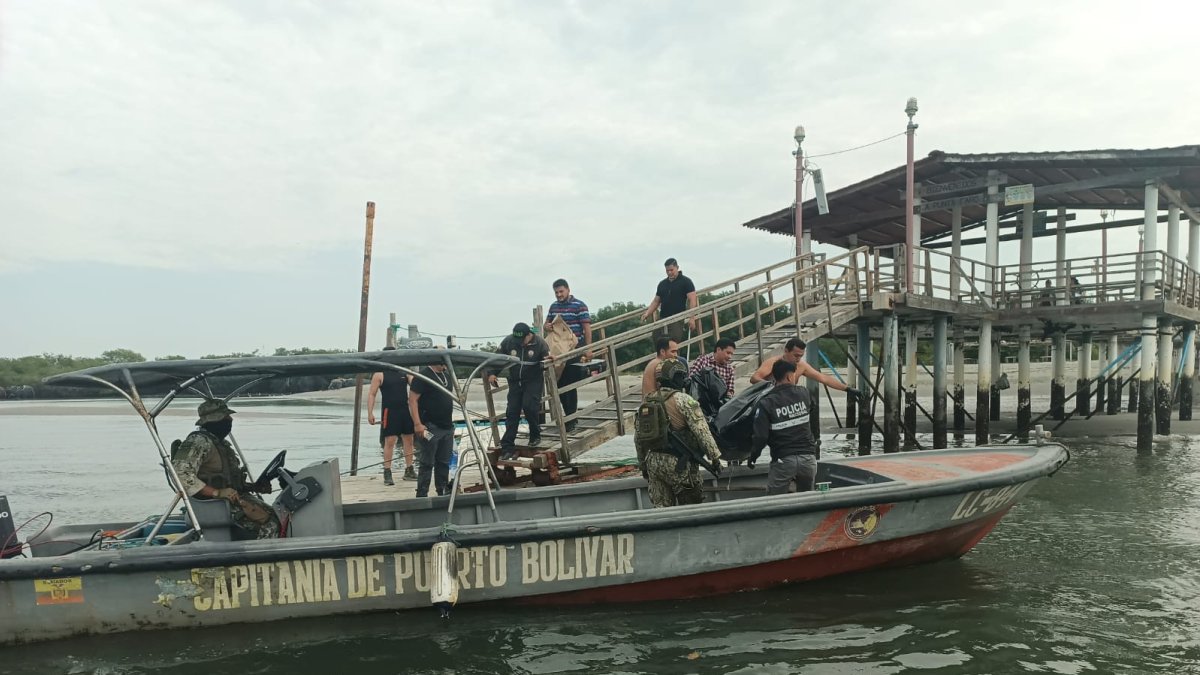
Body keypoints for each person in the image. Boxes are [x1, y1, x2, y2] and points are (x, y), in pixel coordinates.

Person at [171, 399, 280, 539]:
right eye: (225, 417)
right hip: (215, 504)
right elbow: (180, 474)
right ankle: (265, 557)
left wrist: (253, 487)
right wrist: (216, 492)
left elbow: (228, 481)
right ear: (214, 420)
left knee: (278, 515)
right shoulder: (198, 442)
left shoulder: (219, 443)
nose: (230, 419)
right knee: (270, 523)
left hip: (229, 500)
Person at [635, 359, 723, 508]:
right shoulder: (684, 400)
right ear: (677, 377)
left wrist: (643, 466)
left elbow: (638, 439)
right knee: (692, 509)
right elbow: (702, 432)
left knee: (661, 512)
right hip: (679, 465)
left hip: (654, 464)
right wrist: (714, 458)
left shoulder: (647, 403)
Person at [749, 359, 819, 495]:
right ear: (789, 376)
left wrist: (753, 456)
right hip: (808, 459)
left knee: (775, 503)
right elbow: (812, 408)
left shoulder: (766, 402)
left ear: (775, 377)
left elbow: (761, 436)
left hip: (783, 460)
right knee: (807, 501)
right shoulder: (804, 393)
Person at [488, 322, 551, 460]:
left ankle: (535, 434)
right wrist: (492, 373)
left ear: (529, 335)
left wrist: (548, 360)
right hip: (515, 381)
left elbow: (547, 359)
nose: (520, 343)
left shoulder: (540, 343)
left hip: (533, 381)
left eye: (522, 339)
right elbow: (497, 358)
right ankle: (507, 446)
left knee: (530, 407)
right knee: (512, 412)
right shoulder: (509, 341)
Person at [545, 279, 592, 432]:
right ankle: (568, 417)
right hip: (558, 349)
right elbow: (547, 325)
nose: (559, 295)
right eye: (556, 292)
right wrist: (547, 326)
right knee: (558, 384)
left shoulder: (579, 305)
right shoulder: (553, 307)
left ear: (568, 290)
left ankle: (571, 419)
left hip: (573, 348)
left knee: (568, 383)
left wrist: (588, 348)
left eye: (561, 292)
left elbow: (587, 328)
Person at [367, 346, 416, 485]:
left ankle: (409, 469)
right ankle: (387, 472)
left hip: (404, 410)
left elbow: (415, 384)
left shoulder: (404, 371)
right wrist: (370, 413)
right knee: (390, 441)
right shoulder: (380, 374)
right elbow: (372, 393)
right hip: (390, 411)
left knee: (409, 440)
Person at [749, 338, 860, 398]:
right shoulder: (773, 362)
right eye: (796, 355)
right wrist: (774, 387)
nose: (798, 359)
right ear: (786, 351)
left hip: (786, 399)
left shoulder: (801, 365)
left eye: (801, 356)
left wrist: (847, 389)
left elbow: (823, 378)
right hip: (768, 399)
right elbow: (754, 378)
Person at [409, 361, 456, 498]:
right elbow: (412, 400)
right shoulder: (422, 376)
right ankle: (422, 493)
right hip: (429, 426)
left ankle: (442, 490)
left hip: (447, 426)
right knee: (427, 461)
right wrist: (417, 424)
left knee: (444, 461)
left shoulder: (447, 376)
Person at [640, 258, 698, 344]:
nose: (669, 272)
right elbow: (656, 301)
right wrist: (647, 313)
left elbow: (692, 299)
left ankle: (674, 357)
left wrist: (692, 318)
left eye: (671, 270)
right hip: (663, 317)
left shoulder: (686, 282)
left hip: (677, 317)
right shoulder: (662, 284)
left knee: (672, 342)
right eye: (667, 271)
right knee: (656, 338)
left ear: (677, 267)